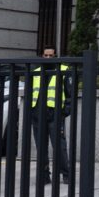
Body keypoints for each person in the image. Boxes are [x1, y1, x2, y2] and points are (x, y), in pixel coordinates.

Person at [28, 47, 74, 186]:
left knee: (59, 146)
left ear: (56, 56)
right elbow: (31, 92)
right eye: (46, 55)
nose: (48, 58)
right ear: (42, 56)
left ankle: (66, 174)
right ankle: (44, 176)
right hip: (37, 115)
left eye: (51, 55)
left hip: (55, 115)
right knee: (41, 148)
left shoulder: (64, 70)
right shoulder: (36, 71)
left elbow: (70, 93)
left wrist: (65, 112)